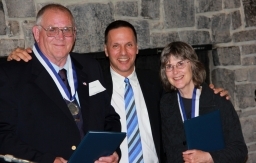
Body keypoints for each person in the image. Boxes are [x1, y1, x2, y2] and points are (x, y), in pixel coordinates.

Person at [7, 20, 230, 163]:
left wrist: (211, 92)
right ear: (105, 50)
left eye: (129, 45)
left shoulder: (155, 80)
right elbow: (54, 68)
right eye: (115, 45)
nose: (123, 52)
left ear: (138, 48)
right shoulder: (92, 79)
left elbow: (185, 91)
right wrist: (25, 56)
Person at [0, 4, 121, 163]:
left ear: (75, 34)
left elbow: (109, 118)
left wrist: (112, 151)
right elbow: (3, 135)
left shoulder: (91, 67)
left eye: (67, 29)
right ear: (37, 33)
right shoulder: (11, 74)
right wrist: (45, 160)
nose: (61, 36)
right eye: (52, 29)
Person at [159, 41, 248, 163]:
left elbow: (240, 151)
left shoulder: (217, 101)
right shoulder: (166, 104)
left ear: (193, 65)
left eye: (180, 64)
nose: (175, 71)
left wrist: (208, 157)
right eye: (169, 66)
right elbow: (168, 152)